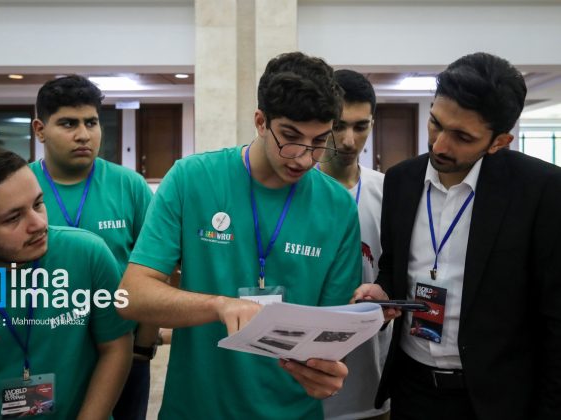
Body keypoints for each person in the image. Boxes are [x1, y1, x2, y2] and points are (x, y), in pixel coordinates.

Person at [118, 51, 363, 419]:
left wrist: (325, 372)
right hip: (198, 408)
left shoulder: (338, 207)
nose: (302, 158)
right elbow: (129, 297)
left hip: (292, 410)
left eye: (318, 142)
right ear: (261, 122)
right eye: (290, 138)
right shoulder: (192, 179)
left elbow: (329, 333)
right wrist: (219, 305)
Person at [354, 52, 561, 420]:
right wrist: (382, 291)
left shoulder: (542, 192)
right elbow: (393, 266)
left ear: (499, 141)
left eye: (462, 137)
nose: (439, 146)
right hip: (412, 390)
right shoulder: (401, 181)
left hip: (497, 400)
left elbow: (555, 320)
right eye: (436, 123)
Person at [0, 145, 133, 419]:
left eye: (38, 203)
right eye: (13, 218)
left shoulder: (87, 255)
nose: (38, 224)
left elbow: (116, 347)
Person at [30, 75, 155, 420]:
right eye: (68, 123)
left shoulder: (129, 185)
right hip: (43, 350)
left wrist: (142, 346)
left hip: (120, 347)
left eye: (91, 122)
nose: (84, 134)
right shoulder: (21, 187)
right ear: (40, 130)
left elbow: (156, 268)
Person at [321, 70, 391, 420]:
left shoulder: (390, 192)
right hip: (303, 387)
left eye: (360, 126)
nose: (349, 140)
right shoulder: (294, 194)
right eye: (338, 125)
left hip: (373, 388)